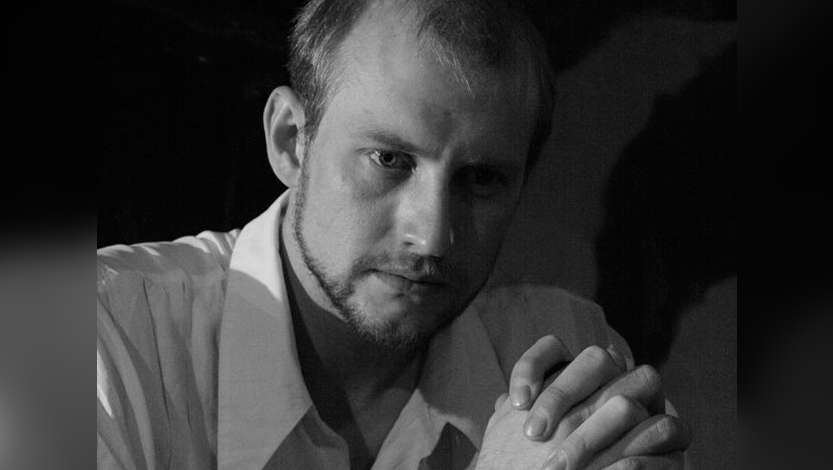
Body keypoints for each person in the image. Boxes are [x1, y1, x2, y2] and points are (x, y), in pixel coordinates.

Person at [97, 1, 690, 469]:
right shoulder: (96, 335)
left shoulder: (571, 350)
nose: (432, 238)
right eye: (389, 160)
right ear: (290, 141)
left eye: (482, 179)